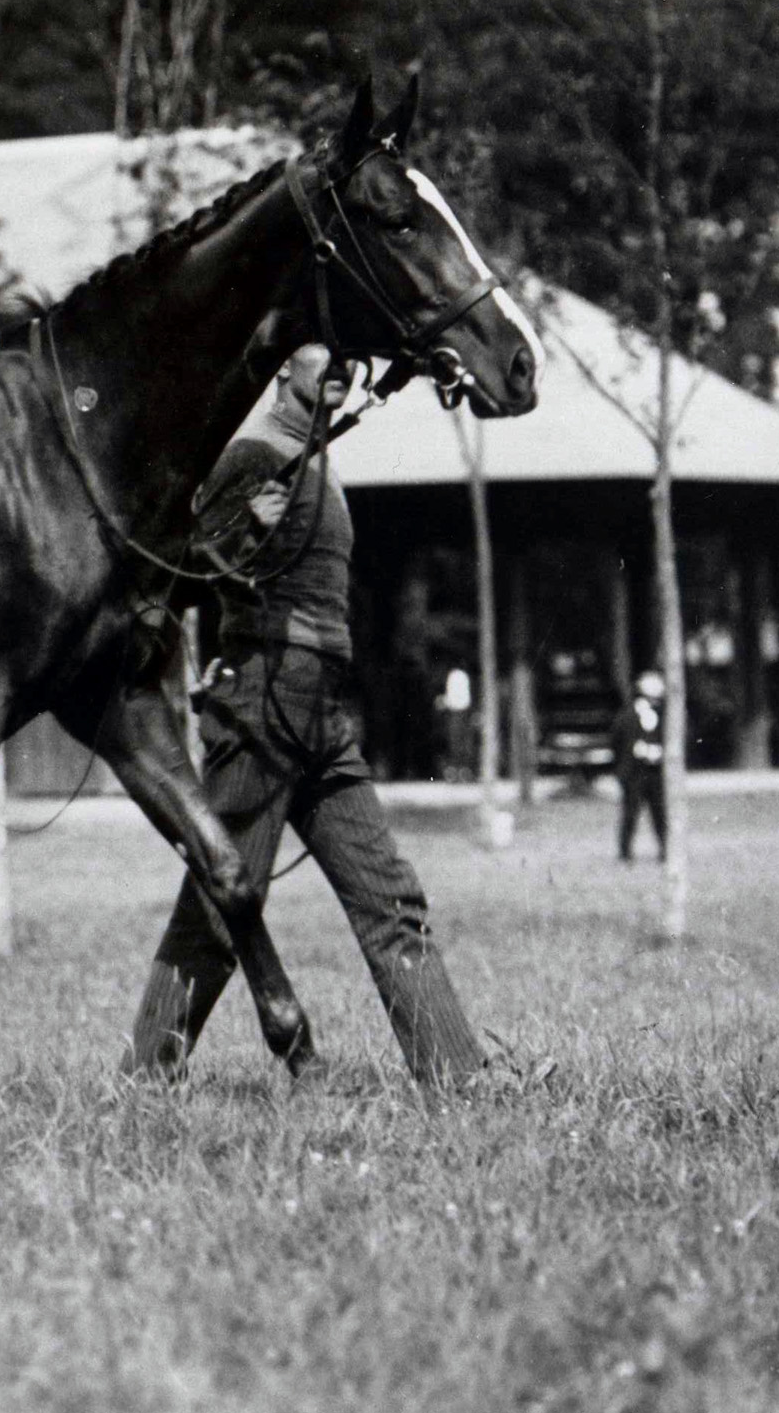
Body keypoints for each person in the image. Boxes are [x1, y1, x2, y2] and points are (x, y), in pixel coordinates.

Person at [121, 343, 487, 1086]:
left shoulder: (315, 456)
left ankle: (457, 1077)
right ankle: (143, 1080)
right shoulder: (255, 452)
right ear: (282, 367)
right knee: (225, 900)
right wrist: (245, 531)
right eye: (325, 354)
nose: (343, 368)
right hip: (263, 698)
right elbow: (192, 564)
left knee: (389, 894)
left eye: (351, 357)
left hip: (319, 709)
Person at [612, 670, 668, 862]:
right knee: (630, 813)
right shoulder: (628, 715)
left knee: (660, 813)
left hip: (655, 772)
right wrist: (635, 752)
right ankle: (625, 852)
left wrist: (659, 751)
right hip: (634, 773)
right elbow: (618, 741)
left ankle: (665, 850)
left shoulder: (665, 715)